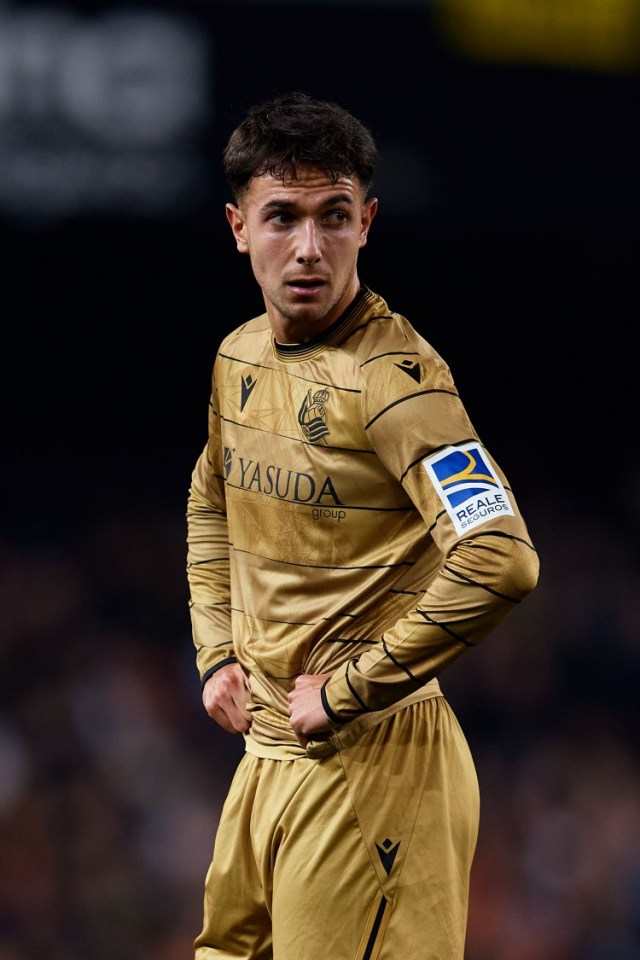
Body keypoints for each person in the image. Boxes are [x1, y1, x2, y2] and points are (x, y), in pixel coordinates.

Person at [186, 90, 539, 960]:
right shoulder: (239, 356)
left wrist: (349, 690)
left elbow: (502, 559)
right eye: (283, 217)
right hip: (269, 758)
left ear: (367, 222)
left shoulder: (397, 382)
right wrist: (218, 647)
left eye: (333, 216)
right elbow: (211, 497)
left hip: (376, 763)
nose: (308, 247)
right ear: (238, 226)